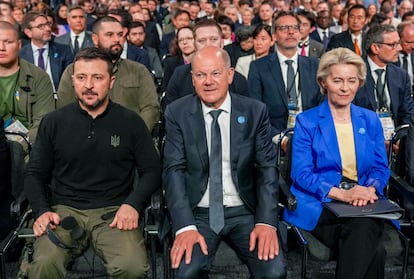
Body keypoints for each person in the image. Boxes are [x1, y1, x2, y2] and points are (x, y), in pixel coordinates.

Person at [24, 47, 161, 279]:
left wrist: (133, 204)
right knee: (44, 265)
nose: (88, 85)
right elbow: (34, 173)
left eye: (97, 77)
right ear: (73, 81)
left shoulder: (131, 122)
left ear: (111, 81)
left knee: (132, 268)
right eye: (81, 77)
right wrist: (42, 211)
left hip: (115, 211)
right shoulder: (53, 122)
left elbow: (152, 170)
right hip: (63, 211)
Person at [163, 46, 286, 279]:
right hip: (198, 211)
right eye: (200, 75)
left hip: (245, 210)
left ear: (230, 75)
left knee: (273, 271)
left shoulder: (254, 111)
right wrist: (185, 226)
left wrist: (266, 222)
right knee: (188, 272)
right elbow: (173, 171)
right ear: (192, 79)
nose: (208, 81)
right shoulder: (177, 112)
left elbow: (267, 170)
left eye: (215, 74)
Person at [283, 47, 390, 279]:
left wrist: (368, 190)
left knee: (365, 232)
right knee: (374, 245)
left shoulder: (369, 119)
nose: (345, 88)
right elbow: (301, 173)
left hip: (363, 202)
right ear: (324, 83)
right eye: (338, 80)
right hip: (321, 202)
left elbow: (381, 168)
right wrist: (344, 195)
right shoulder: (307, 121)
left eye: (352, 80)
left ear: (359, 83)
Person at [57, 16, 160, 131]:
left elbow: (151, 107)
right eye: (109, 35)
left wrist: (134, 134)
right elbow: (64, 110)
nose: (117, 39)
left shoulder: (138, 70)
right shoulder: (74, 70)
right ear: (95, 39)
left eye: (120, 35)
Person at [248, 11, 323, 141]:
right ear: (274, 36)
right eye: (284, 28)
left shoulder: (314, 65)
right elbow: (256, 111)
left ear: (300, 34)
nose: (290, 32)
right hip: (274, 139)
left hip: (312, 136)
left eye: (294, 28)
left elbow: (322, 105)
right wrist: (280, 138)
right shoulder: (258, 67)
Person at [164, 19, 249, 110]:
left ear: (222, 43)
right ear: (194, 45)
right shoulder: (179, 76)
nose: (208, 45)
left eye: (213, 39)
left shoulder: (238, 80)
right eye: (202, 41)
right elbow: (170, 112)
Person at [354, 24, 414, 141]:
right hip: (363, 139)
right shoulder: (355, 73)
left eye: (399, 43)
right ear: (375, 48)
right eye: (393, 45)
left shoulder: (400, 75)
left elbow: (407, 114)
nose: (399, 48)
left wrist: (399, 140)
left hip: (395, 140)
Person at [0, 21, 54, 142]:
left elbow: (43, 123)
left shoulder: (39, 77)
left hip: (28, 148)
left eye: (8, 42)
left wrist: (19, 148)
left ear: (19, 45)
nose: (1, 48)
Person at [20, 11, 74, 92]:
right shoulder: (21, 55)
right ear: (28, 32)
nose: (48, 29)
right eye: (41, 26)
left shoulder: (64, 50)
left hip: (57, 98)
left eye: (48, 24)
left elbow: (69, 81)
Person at [162, 26, 195, 92]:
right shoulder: (170, 63)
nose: (185, 42)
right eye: (181, 40)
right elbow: (167, 89)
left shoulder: (204, 61)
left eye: (189, 38)